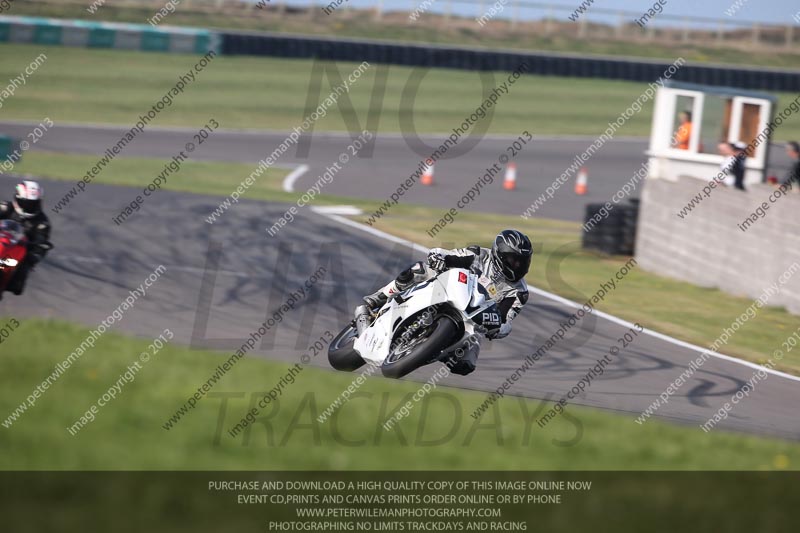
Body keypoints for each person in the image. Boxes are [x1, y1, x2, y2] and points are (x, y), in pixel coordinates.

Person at [356, 229, 532, 375]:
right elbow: (449, 255)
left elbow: (505, 319)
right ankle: (379, 297)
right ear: (499, 255)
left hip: (473, 318)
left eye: (523, 262)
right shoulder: (478, 254)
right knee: (419, 270)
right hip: (448, 289)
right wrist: (438, 257)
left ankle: (433, 349)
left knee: (465, 365)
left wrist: (499, 329)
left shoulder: (519, 292)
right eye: (513, 260)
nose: (518, 266)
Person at [0, 180, 52, 297]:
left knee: (25, 267)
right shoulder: (5, 207)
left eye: (33, 203)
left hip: (18, 251)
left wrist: (36, 251)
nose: (30, 207)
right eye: (27, 203)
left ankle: (12, 282)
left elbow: (41, 241)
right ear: (18, 199)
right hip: (2, 241)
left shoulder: (42, 222)